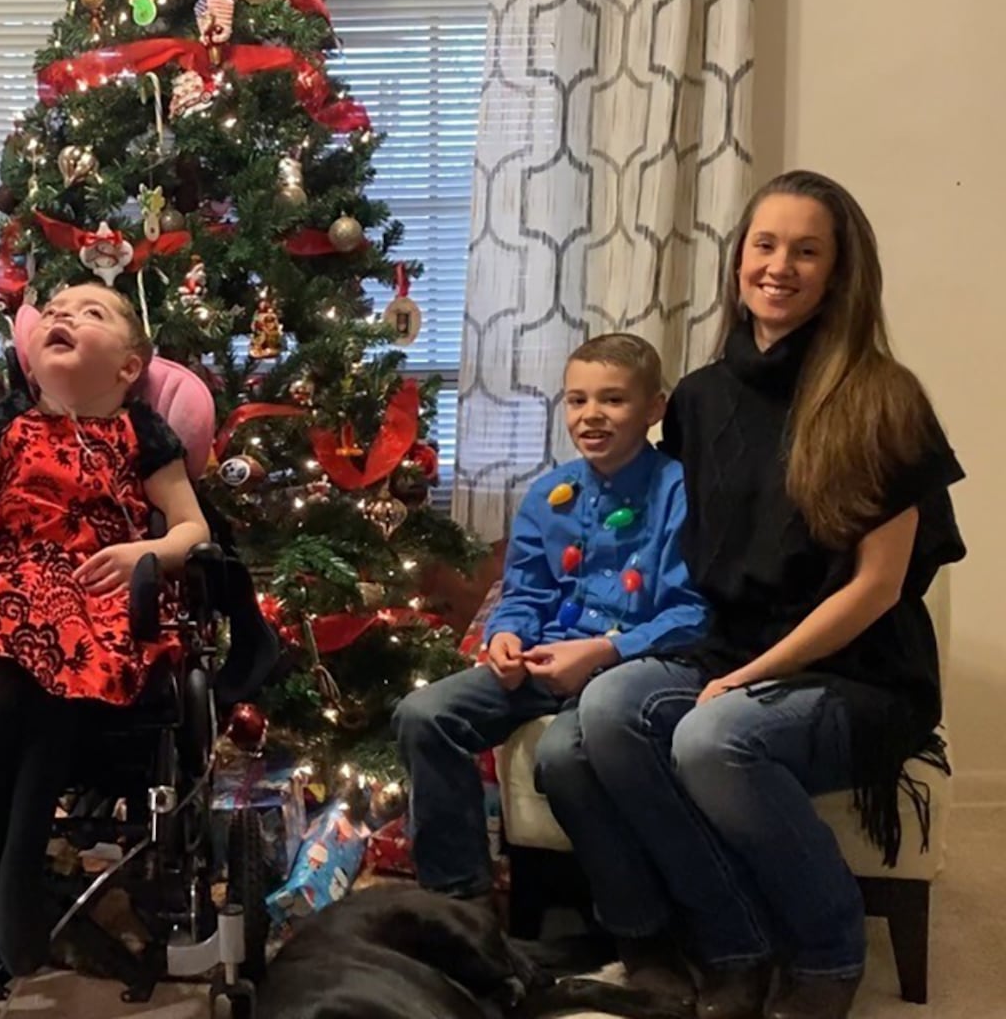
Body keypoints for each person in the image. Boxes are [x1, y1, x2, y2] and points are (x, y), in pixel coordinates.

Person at [543, 171, 965, 1019]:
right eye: (764, 245)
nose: (780, 266)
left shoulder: (884, 400)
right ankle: (728, 944)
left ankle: (827, 950)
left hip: (861, 673)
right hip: (727, 647)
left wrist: (749, 676)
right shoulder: (699, 398)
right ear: (738, 260)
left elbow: (880, 587)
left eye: (808, 250)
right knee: (595, 721)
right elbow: (654, 535)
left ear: (840, 273)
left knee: (714, 740)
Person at [392, 333, 708, 1001]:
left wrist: (600, 652)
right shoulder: (549, 495)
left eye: (613, 399)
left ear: (654, 407)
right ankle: (465, 913)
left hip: (629, 671)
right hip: (541, 664)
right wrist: (505, 639)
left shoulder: (681, 491)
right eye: (578, 399)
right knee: (425, 714)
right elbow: (525, 593)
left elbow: (694, 613)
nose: (592, 414)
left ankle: (641, 938)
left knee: (565, 756)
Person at [0, 282, 209, 992]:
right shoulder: (8, 425)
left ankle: (6, 889)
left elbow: (191, 527)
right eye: (52, 310)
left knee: (59, 667)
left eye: (92, 313)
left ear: (127, 368)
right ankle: (3, 888)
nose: (62, 317)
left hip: (99, 591)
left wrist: (150, 554)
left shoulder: (143, 433)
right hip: (12, 584)